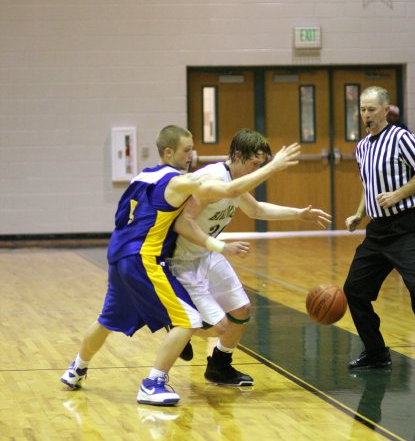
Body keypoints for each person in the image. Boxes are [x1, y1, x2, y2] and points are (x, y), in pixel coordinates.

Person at [61, 125, 302, 406]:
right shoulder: (179, 181)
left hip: (118, 252)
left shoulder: (144, 175)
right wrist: (273, 168)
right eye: (187, 150)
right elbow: (229, 189)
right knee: (188, 320)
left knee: (107, 320)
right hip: (144, 257)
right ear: (169, 151)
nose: (192, 155)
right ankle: (152, 383)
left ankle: (77, 368)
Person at [170, 129, 332, 387]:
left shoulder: (234, 181)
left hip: (208, 252)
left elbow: (255, 209)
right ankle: (176, 326)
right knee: (216, 325)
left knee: (242, 309)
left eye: (261, 165)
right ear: (237, 156)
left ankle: (219, 366)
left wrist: (298, 214)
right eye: (254, 164)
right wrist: (220, 246)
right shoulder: (213, 178)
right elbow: (183, 222)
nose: (257, 169)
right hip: (182, 258)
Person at [343, 86, 415, 379]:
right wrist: (358, 214)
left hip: (408, 227)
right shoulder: (362, 146)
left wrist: (398, 194)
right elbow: (369, 186)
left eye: (371, 109)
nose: (366, 114)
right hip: (378, 231)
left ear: (386, 110)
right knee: (354, 290)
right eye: (363, 109)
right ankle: (376, 353)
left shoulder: (401, 137)